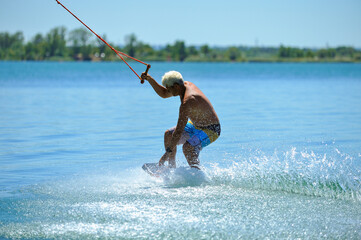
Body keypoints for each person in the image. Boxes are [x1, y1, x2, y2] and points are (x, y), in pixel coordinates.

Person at [141, 71, 221, 169]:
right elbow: (164, 94)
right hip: (195, 125)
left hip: (211, 129)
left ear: (176, 86)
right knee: (169, 134)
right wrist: (150, 79)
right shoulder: (183, 85)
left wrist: (166, 154)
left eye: (169, 89)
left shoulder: (187, 102)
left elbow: (178, 131)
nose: (168, 91)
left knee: (188, 148)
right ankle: (171, 169)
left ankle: (197, 174)